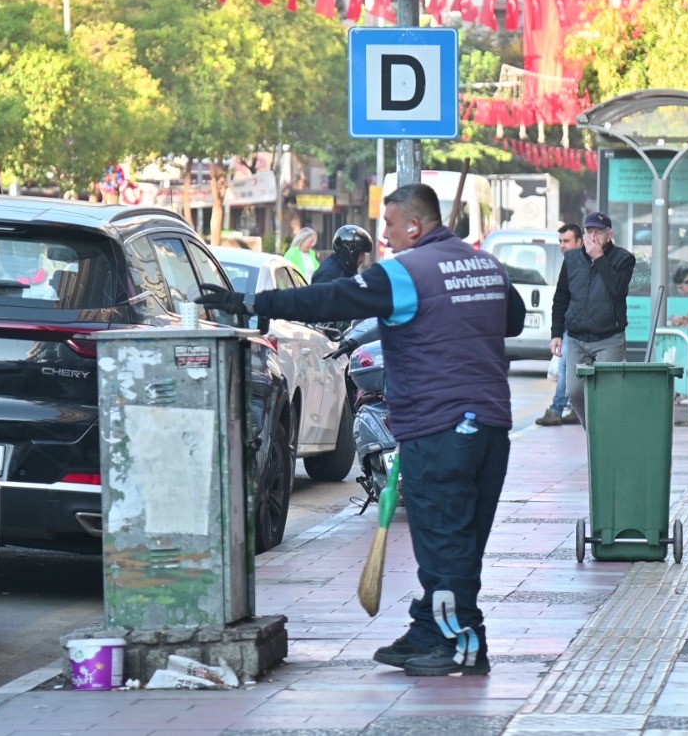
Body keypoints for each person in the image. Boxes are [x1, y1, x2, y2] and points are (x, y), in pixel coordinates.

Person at [197, 185, 525, 676]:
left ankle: (459, 644)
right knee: (463, 540)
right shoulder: (487, 266)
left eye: (390, 226)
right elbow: (514, 320)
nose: (385, 238)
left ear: (415, 226)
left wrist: (251, 302)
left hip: (438, 428)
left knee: (442, 540)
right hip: (491, 428)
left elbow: (329, 298)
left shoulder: (406, 273)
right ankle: (432, 628)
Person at [550, 211, 636, 426]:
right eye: (589, 231)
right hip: (577, 337)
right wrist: (556, 333)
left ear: (610, 235)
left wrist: (599, 258)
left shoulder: (624, 258)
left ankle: (608, 435)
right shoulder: (571, 258)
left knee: (608, 393)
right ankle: (596, 434)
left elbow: (618, 290)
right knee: (575, 391)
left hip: (609, 336)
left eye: (598, 232)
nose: (593, 236)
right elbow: (561, 297)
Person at [536, 222, 584, 427]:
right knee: (566, 367)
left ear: (579, 242)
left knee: (567, 369)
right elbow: (560, 299)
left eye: (567, 241)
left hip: (585, 329)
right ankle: (569, 409)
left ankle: (559, 409)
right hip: (569, 327)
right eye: (560, 241)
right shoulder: (568, 263)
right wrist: (556, 333)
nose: (562, 246)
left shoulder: (587, 263)